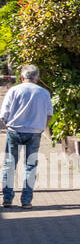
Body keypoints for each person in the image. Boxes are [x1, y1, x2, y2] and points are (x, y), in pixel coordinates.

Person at [0, 65, 54, 209]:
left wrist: (8, 125)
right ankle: (26, 201)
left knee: (10, 165)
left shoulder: (13, 90)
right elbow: (49, 114)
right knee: (31, 166)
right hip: (34, 132)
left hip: (14, 131)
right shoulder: (44, 93)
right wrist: (41, 127)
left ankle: (7, 199)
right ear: (37, 78)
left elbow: (3, 113)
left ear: (22, 77)